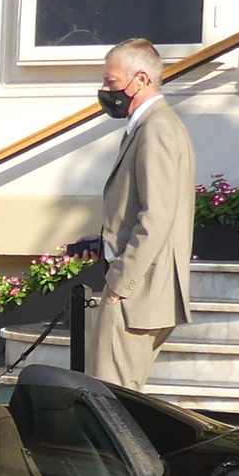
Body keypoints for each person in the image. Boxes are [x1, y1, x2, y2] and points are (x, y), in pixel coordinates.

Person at [87, 37, 194, 390]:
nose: (105, 90)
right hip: (140, 290)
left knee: (111, 400)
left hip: (138, 294)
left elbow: (157, 215)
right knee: (118, 398)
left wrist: (120, 283)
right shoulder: (150, 126)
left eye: (112, 82)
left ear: (142, 80)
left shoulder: (157, 127)